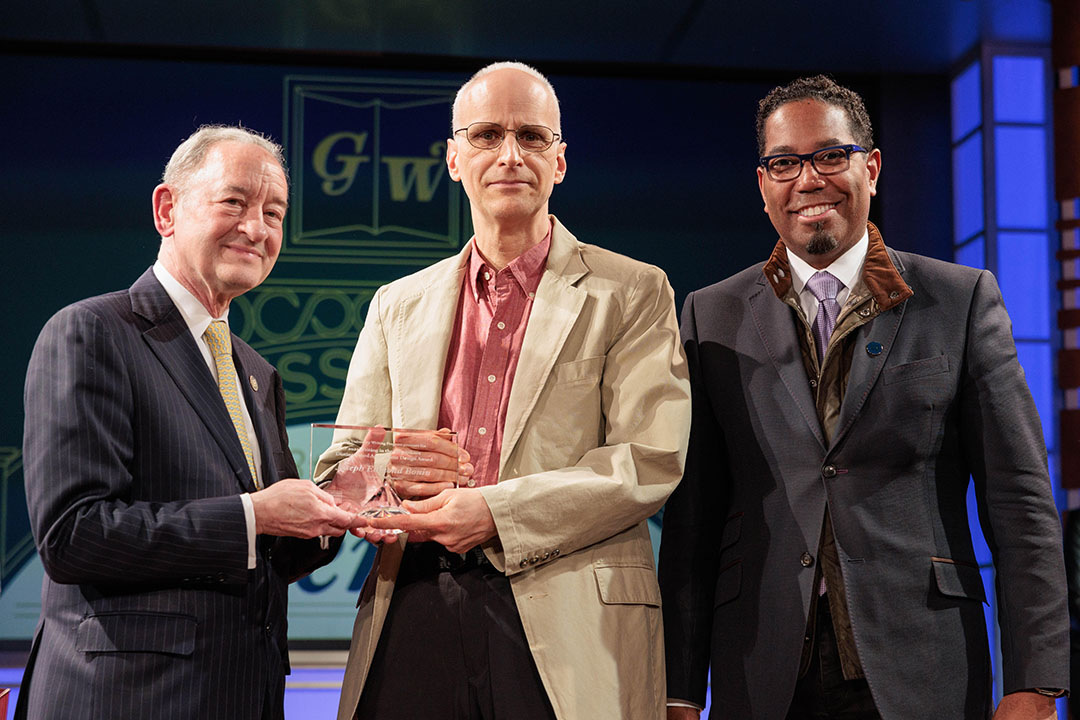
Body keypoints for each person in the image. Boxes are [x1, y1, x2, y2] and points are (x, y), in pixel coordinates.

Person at [659, 75, 1070, 720]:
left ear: (870, 167)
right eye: (784, 163)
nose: (808, 179)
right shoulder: (710, 315)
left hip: (923, 662)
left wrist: (1035, 681)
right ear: (763, 184)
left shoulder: (960, 300)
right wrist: (678, 687)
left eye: (830, 155)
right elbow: (693, 520)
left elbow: (1019, 502)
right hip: (762, 668)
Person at [315, 62, 691, 720]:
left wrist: (493, 513)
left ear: (561, 161)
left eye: (532, 136)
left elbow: (647, 459)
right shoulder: (395, 305)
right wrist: (382, 475)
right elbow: (339, 475)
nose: (510, 155)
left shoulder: (633, 291)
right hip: (413, 605)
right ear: (455, 158)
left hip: (567, 613)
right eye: (487, 135)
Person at [17, 125, 357, 720]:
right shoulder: (91, 333)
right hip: (126, 699)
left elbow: (270, 550)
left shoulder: (254, 370)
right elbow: (73, 535)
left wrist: (342, 509)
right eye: (234, 202)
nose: (257, 228)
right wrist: (256, 515)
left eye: (274, 212)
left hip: (240, 694)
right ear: (167, 210)